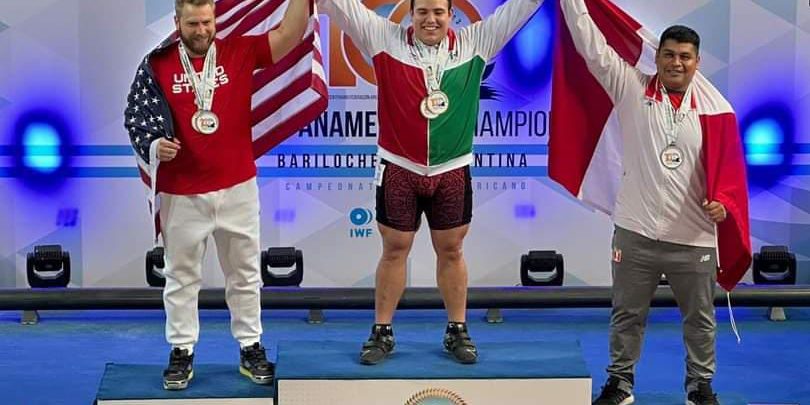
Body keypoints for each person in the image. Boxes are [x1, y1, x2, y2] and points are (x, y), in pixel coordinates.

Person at [317, 0, 543, 365]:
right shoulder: (383, 37)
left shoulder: (476, 41)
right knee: (394, 249)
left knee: (452, 249)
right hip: (399, 167)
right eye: (422, 11)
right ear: (411, 13)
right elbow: (339, 5)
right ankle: (382, 331)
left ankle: (457, 329)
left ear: (451, 14)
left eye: (438, 11)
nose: (430, 19)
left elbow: (520, 7)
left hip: (451, 170)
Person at [556, 0, 751, 404]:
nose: (675, 63)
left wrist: (724, 204)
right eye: (668, 55)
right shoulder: (631, 89)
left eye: (684, 57)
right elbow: (591, 46)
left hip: (693, 236)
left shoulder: (718, 112)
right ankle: (620, 383)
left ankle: (700, 387)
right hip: (636, 232)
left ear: (697, 62)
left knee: (699, 319)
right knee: (627, 315)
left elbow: (732, 177)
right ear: (657, 56)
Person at [124, 0, 310, 390]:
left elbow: (288, 36)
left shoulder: (238, 50)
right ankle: (181, 351)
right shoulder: (155, 65)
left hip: (238, 187)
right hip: (182, 192)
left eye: (207, 22)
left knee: (244, 275)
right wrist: (156, 146)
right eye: (192, 23)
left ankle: (250, 346)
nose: (201, 30)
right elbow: (137, 119)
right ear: (177, 22)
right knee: (180, 278)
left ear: (215, 20)